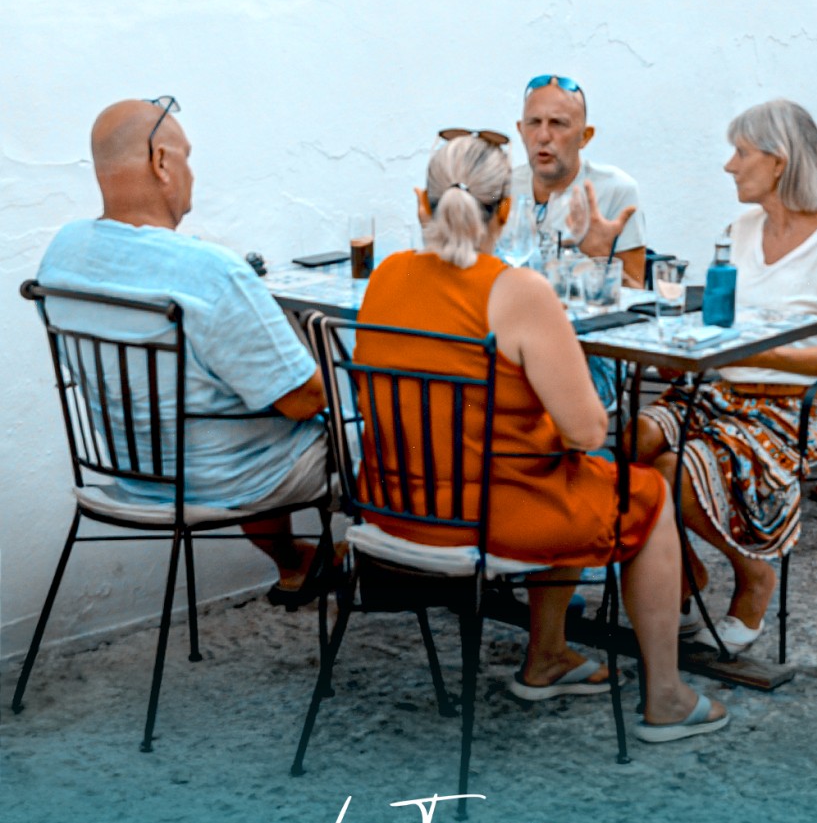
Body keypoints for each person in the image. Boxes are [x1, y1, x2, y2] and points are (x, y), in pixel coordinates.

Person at [355, 130, 729, 743]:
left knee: (563, 470)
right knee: (643, 493)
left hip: (391, 509)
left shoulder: (386, 275)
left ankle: (549, 655)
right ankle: (665, 696)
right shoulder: (518, 291)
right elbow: (588, 430)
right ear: (506, 210)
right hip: (491, 517)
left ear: (422, 204)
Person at [37, 97, 337, 605]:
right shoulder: (208, 270)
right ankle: (404, 570)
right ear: (161, 162)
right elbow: (304, 400)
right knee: (371, 422)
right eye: (186, 157)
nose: (191, 174)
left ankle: (295, 565)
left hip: (135, 471)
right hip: (229, 478)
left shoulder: (62, 253)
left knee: (240, 402)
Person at [633, 99, 817, 654]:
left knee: (672, 471)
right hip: (719, 393)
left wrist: (760, 354)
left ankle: (754, 576)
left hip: (795, 408)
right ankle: (685, 570)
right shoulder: (739, 229)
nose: (730, 165)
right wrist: (684, 349)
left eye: (741, 152)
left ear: (779, 161)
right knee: (629, 442)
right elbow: (721, 321)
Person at [508, 74, 646, 408]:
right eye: (534, 123)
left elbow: (638, 297)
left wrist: (601, 259)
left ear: (585, 136)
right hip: (513, 349)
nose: (543, 136)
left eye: (558, 124)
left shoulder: (615, 189)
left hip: (588, 354)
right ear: (520, 130)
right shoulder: (502, 187)